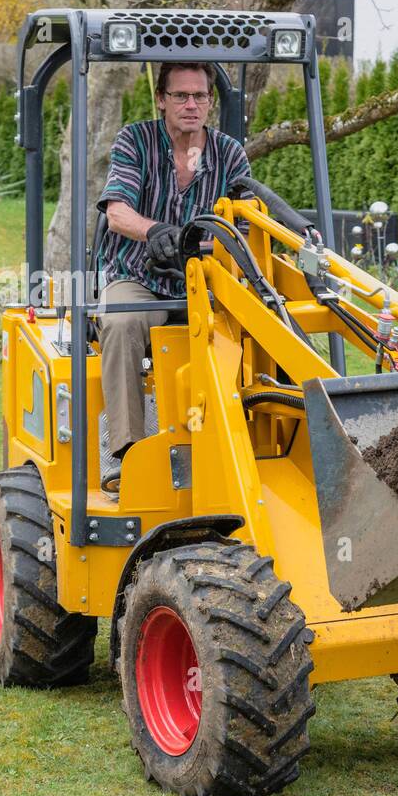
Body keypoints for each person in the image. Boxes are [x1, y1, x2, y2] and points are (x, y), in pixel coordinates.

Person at [95, 61, 252, 493]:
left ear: (210, 103)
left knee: (264, 326)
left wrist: (197, 250)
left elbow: (245, 224)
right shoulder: (136, 140)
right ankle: (126, 453)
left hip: (204, 283)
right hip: (138, 277)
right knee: (122, 321)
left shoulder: (229, 153)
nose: (191, 104)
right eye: (180, 95)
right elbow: (117, 212)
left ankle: (249, 446)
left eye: (200, 96)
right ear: (161, 100)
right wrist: (155, 232)